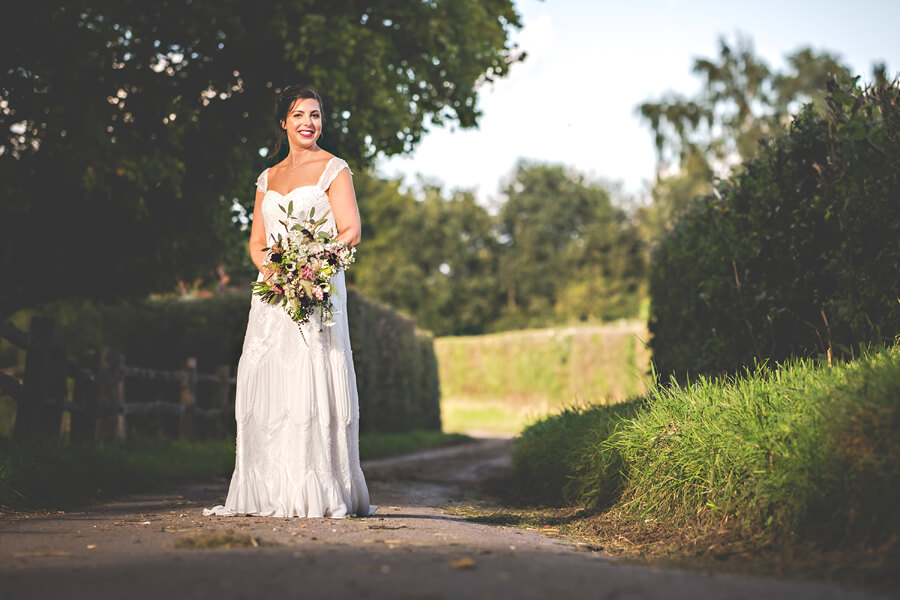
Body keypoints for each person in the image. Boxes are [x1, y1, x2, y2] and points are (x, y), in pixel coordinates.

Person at [203, 85, 376, 518]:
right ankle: (265, 490)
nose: (308, 123)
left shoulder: (334, 169)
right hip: (273, 293)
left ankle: (314, 487)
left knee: (309, 375)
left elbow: (350, 231)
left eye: (315, 115)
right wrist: (278, 274)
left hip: (317, 288)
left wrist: (311, 268)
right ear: (283, 121)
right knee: (269, 379)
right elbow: (257, 242)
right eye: (299, 115)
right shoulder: (267, 177)